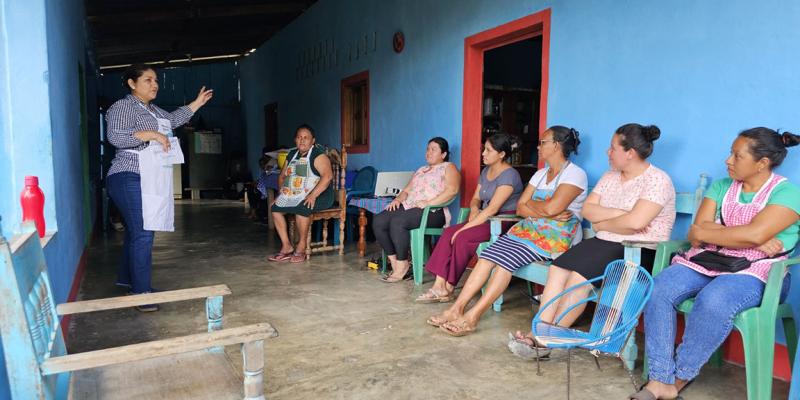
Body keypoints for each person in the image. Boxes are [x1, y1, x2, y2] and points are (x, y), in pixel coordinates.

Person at [633, 128, 800, 400]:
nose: (728, 160)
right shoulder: (722, 186)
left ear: (762, 163)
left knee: (715, 299)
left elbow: (749, 233)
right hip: (708, 260)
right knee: (659, 287)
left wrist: (741, 234)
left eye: (737, 155)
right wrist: (751, 237)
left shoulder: (788, 193)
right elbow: (695, 232)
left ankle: (678, 380)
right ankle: (660, 378)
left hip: (759, 271)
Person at [509, 123, 676, 354]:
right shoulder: (610, 176)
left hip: (638, 249)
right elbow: (589, 212)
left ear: (630, 153)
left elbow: (637, 224)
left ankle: (544, 342)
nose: (608, 152)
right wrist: (621, 216)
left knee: (578, 278)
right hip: (604, 242)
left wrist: (607, 221)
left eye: (613, 148)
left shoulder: (657, 180)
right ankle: (538, 331)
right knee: (558, 268)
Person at [428, 126, 588, 339]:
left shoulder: (575, 174)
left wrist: (540, 209)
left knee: (503, 263)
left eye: (543, 142)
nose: (538, 146)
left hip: (554, 238)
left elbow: (550, 208)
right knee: (486, 257)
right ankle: (456, 309)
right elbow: (522, 207)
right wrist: (546, 211)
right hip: (527, 231)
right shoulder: (540, 174)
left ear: (556, 146)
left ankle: (472, 317)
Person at [106, 63, 213, 311]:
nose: (154, 84)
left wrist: (197, 103)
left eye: (156, 80)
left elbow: (173, 119)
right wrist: (151, 135)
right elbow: (116, 137)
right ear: (132, 84)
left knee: (138, 230)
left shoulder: (152, 110)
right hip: (127, 174)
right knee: (144, 231)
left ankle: (129, 280)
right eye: (148, 80)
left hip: (147, 175)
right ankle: (141, 293)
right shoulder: (123, 106)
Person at [415, 133, 523, 303]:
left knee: (462, 237)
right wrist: (474, 208)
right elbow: (476, 198)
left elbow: (493, 208)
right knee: (449, 232)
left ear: (501, 154)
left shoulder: (510, 175)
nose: (483, 154)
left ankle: (448, 287)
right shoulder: (486, 171)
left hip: (502, 221)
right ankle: (439, 285)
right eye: (483, 150)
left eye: (488, 150)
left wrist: (466, 227)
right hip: (484, 217)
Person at [372, 137, 460, 282]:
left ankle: (402, 265)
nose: (428, 152)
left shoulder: (449, 167)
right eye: (427, 149)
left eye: (433, 149)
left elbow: (452, 190)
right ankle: (396, 264)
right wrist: (398, 200)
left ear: (443, 154)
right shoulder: (421, 170)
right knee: (379, 220)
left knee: (398, 221)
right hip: (411, 207)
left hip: (433, 212)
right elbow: (406, 190)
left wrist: (429, 203)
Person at [267, 125, 334, 263]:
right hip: (295, 193)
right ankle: (286, 247)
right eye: (299, 137)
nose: (302, 140)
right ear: (295, 140)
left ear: (313, 141)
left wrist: (313, 195)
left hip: (320, 195)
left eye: (306, 138)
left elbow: (327, 177)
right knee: (275, 208)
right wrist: (282, 195)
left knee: (302, 208)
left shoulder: (318, 155)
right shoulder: (292, 155)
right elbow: (282, 177)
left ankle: (301, 246)